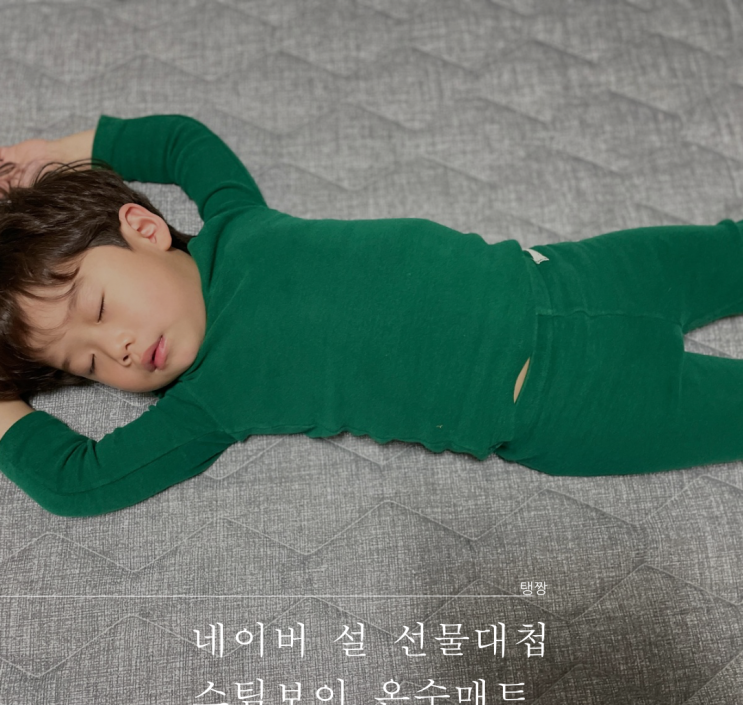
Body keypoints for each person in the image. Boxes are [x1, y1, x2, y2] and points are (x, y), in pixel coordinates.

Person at [2, 114, 743, 518]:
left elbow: (181, 141)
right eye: (86, 364)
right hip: (567, 405)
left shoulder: (239, 221)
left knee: (726, 251)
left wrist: (55, 152)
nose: (118, 349)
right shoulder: (208, 404)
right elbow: (77, 481)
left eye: (98, 309)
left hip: (569, 272)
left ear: (143, 227)